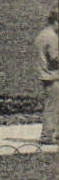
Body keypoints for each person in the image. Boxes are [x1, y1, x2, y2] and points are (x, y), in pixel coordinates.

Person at [37, 10, 59, 146]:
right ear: (56, 22)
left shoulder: (42, 34)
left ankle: (52, 134)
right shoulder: (52, 37)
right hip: (53, 76)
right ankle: (47, 135)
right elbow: (55, 58)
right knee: (53, 106)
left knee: (52, 105)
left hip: (46, 74)